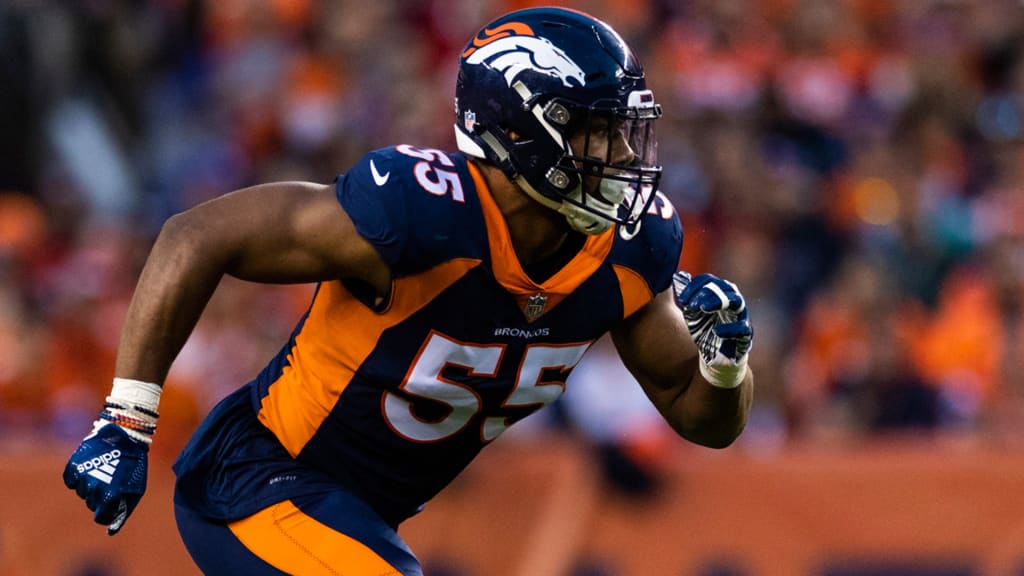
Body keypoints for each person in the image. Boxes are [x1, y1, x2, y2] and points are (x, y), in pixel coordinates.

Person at [63, 7, 754, 575]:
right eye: (599, 132)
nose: (626, 157)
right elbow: (196, 235)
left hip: (354, 516)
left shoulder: (630, 250)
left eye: (626, 131)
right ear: (517, 128)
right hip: (259, 478)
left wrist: (725, 363)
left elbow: (700, 418)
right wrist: (126, 422)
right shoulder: (423, 212)